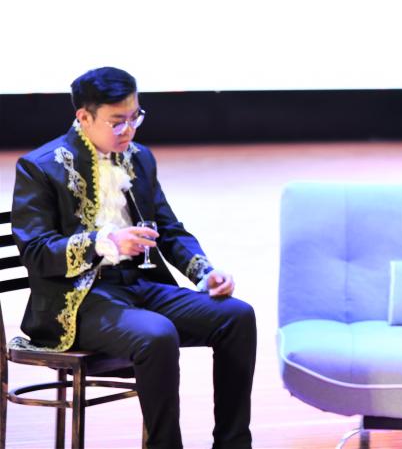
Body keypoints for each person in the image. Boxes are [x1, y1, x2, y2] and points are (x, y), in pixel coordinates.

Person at [11, 67, 256, 449]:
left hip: (141, 285)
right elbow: (38, 253)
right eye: (117, 121)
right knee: (157, 334)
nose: (129, 130)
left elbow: (168, 230)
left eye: (135, 117)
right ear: (84, 117)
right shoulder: (40, 166)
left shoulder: (139, 158)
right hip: (78, 302)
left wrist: (204, 272)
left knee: (236, 316)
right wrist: (103, 242)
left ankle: (233, 444)